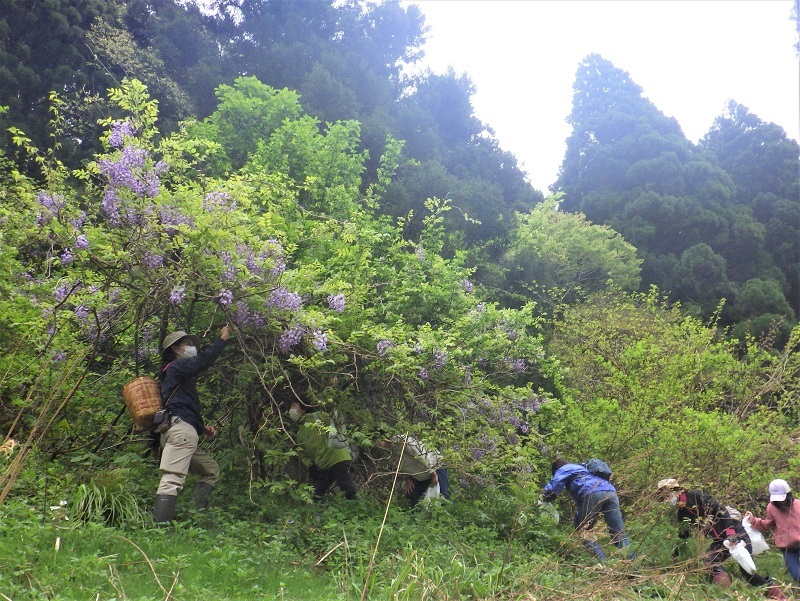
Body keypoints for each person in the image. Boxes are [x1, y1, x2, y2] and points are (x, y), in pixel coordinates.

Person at [656, 478, 785, 598]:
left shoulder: (696, 497)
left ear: (677, 492)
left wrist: (730, 533)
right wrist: (676, 554)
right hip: (720, 540)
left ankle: (779, 597)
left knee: (748, 574)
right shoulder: (682, 513)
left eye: (667, 496)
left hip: (736, 532)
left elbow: (722, 510)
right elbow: (684, 534)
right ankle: (732, 596)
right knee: (710, 560)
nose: (667, 500)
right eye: (664, 498)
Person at [153, 325, 231, 524]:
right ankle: (161, 528)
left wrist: (201, 427)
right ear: (175, 349)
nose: (191, 348)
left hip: (182, 430)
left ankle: (195, 516)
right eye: (187, 344)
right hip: (181, 432)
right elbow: (203, 361)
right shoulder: (177, 367)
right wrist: (222, 339)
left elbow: (180, 404)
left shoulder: (174, 375)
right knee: (172, 478)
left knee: (210, 470)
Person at [542, 459, 634, 560]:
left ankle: (604, 566)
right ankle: (632, 566)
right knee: (618, 533)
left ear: (556, 470)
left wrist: (544, 498)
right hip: (610, 491)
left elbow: (552, 488)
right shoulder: (583, 467)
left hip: (592, 492)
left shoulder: (564, 469)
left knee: (584, 531)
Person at [288, 401, 357, 501]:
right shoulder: (299, 433)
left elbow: (337, 423)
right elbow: (303, 454)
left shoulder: (318, 416)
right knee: (315, 496)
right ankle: (317, 514)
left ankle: (356, 512)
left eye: (294, 405)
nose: (291, 410)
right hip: (323, 465)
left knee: (348, 490)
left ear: (303, 407)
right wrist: (311, 467)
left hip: (338, 457)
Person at [745, 479, 800, 585]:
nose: (780, 502)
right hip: (787, 548)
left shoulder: (798, 505)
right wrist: (753, 520)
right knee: (797, 575)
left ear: (788, 495)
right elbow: (767, 524)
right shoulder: (771, 507)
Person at [373, 433, 450, 507]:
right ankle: (416, 517)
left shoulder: (400, 440)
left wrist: (433, 474)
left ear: (380, 438)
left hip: (435, 466)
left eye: (374, 442)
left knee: (442, 496)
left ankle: (445, 518)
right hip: (420, 475)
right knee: (412, 495)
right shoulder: (387, 453)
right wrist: (407, 478)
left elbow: (420, 454)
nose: (374, 446)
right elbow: (399, 467)